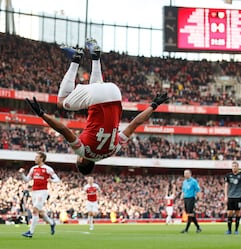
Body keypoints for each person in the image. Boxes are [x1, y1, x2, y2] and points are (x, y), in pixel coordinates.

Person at [26, 38, 169, 175]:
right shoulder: (83, 152)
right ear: (82, 160)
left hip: (115, 94)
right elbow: (63, 129)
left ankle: (95, 57)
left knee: (95, 89)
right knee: (61, 102)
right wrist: (42, 114)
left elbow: (135, 123)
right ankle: (76, 58)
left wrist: (154, 105)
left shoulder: (113, 150)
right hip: (99, 97)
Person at [19, 151, 61, 238]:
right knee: (40, 213)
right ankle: (52, 223)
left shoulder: (48, 169)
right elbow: (27, 180)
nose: (35, 158)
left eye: (37, 157)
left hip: (42, 192)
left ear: (41, 158)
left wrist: (51, 180)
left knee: (35, 210)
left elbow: (57, 179)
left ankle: (30, 232)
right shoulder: (33, 169)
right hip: (34, 192)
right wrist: (21, 174)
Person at [224, 161, 241, 235]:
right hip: (230, 197)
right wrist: (225, 196)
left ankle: (236, 230)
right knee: (229, 213)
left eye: (235, 166)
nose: (234, 167)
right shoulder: (228, 175)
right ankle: (229, 230)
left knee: (238, 213)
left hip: (238, 197)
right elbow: (226, 186)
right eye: (233, 166)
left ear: (238, 167)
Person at [180, 169, 202, 233]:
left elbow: (198, 190)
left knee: (190, 214)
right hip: (186, 199)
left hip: (191, 198)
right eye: (184, 173)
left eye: (186, 173)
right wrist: (182, 196)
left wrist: (200, 199)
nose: (185, 175)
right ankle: (198, 227)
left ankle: (186, 229)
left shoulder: (194, 181)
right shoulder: (184, 182)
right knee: (190, 214)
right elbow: (183, 190)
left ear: (190, 174)